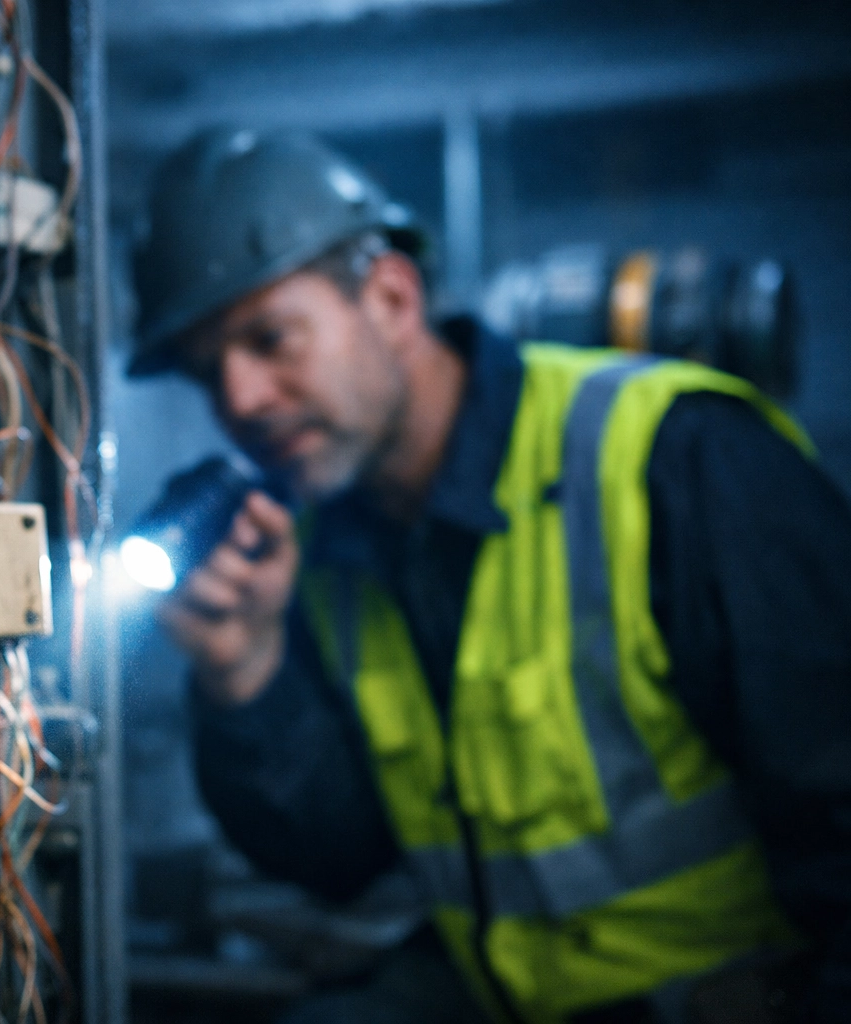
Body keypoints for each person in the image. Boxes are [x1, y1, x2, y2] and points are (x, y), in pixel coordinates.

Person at [128, 127, 851, 1024]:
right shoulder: (318, 546)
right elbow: (337, 862)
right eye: (208, 374)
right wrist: (245, 672)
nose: (239, 400)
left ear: (391, 298)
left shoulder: (674, 460)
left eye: (270, 339)